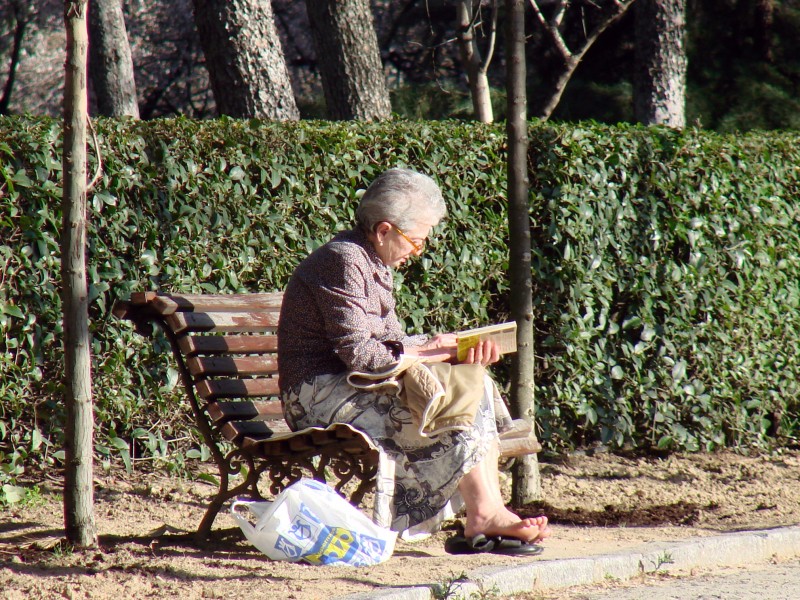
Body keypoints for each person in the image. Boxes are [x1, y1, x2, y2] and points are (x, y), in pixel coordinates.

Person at [277, 168, 550, 551]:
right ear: (384, 230)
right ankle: (485, 515)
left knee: (472, 380)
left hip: (353, 388)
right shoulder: (342, 261)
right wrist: (434, 351)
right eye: (415, 241)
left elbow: (390, 345)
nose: (418, 252)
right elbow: (360, 354)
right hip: (318, 396)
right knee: (441, 392)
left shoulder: (370, 263)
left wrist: (450, 348)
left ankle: (487, 511)